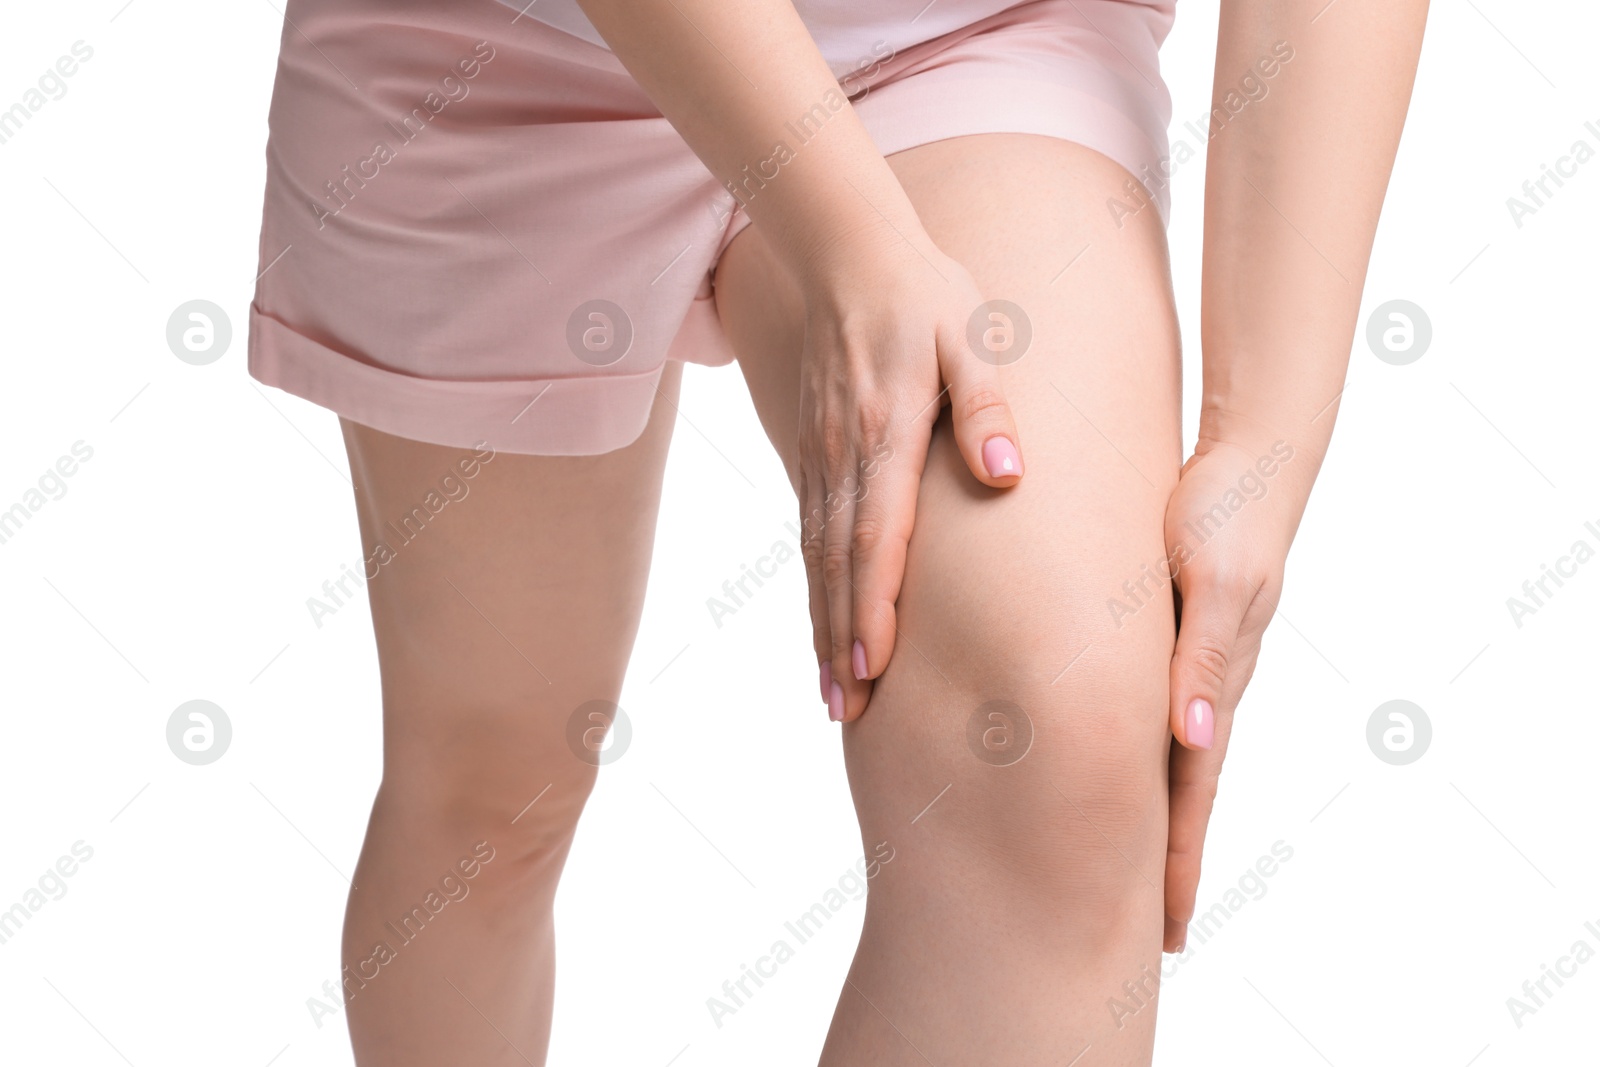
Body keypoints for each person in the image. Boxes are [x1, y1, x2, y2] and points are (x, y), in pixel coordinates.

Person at [247, 0, 1429, 1061]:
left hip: (959, 37)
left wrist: (1264, 432)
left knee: (1053, 744)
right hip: (497, 53)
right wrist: (852, 234)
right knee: (490, 790)